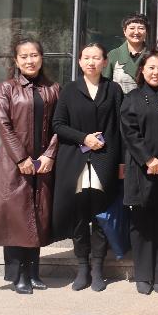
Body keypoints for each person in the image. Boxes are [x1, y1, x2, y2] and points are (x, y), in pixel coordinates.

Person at [0, 38, 60, 294]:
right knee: (15, 218)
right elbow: (3, 124)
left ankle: (33, 271)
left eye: (34, 55)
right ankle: (18, 273)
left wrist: (50, 155)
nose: (30, 60)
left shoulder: (53, 88)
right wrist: (21, 158)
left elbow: (60, 124)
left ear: (41, 58)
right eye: (24, 56)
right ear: (16, 60)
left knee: (38, 216)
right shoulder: (7, 88)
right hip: (14, 164)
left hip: (43, 164)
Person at [52, 43, 124, 292]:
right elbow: (58, 124)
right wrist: (83, 138)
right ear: (80, 62)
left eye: (96, 58)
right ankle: (82, 266)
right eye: (86, 58)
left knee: (101, 214)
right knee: (79, 216)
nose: (91, 62)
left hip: (105, 160)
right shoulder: (69, 90)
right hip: (75, 160)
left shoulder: (113, 89)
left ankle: (97, 267)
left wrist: (122, 162)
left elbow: (121, 127)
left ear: (105, 62)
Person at [120, 49, 158, 295]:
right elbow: (130, 132)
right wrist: (148, 158)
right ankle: (143, 275)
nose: (156, 72)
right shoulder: (132, 98)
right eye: (151, 67)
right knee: (141, 225)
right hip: (141, 170)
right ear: (142, 70)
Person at [103, 13, 148, 93]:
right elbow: (105, 85)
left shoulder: (153, 55)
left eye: (141, 28)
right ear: (124, 31)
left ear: (146, 31)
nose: (136, 32)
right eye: (132, 28)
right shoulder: (114, 55)